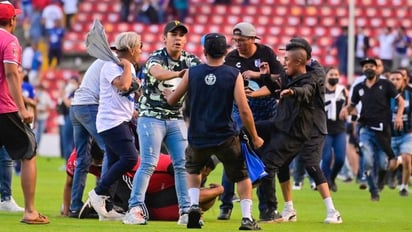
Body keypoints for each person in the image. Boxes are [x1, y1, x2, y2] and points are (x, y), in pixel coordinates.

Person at [166, 32, 263, 230]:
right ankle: (246, 218)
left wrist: (169, 94)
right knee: (242, 175)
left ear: (204, 50)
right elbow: (244, 109)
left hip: (198, 134)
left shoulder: (193, 73)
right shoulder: (232, 74)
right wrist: (254, 136)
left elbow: (173, 100)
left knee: (193, 169)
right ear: (226, 51)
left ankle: (193, 206)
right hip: (225, 136)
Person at [248, 37, 342, 224]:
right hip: (292, 125)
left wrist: (292, 92)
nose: (284, 61)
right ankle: (289, 208)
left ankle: (333, 211)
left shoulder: (315, 72)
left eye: (288, 55)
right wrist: (264, 77)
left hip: (313, 127)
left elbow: (306, 89)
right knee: (281, 164)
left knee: (311, 165)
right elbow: (279, 84)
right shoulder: (290, 71)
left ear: (303, 58)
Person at [123, 20, 201, 226]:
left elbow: (204, 74)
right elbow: (158, 72)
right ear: (164, 38)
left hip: (175, 118)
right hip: (151, 117)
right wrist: (180, 74)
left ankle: (185, 211)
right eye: (173, 34)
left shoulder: (191, 60)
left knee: (183, 164)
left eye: (181, 35)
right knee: (148, 162)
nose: (178, 38)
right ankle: (135, 208)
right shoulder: (156, 58)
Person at [219, 21, 284, 222]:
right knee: (235, 156)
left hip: (266, 111)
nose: (238, 44)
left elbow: (280, 79)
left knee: (266, 160)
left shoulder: (266, 53)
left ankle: (267, 209)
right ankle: (226, 205)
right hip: (241, 110)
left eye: (242, 40)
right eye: (235, 40)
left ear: (252, 39)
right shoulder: (231, 58)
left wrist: (258, 75)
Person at [0, 1, 48, 224]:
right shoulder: (9, 41)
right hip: (4, 109)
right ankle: (30, 211)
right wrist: (23, 108)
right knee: (28, 152)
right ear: (12, 20)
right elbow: (11, 74)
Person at [88, 31, 143, 221]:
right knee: (130, 158)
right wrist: (128, 66)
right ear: (131, 49)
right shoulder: (112, 66)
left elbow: (130, 90)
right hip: (112, 121)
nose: (141, 50)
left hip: (121, 119)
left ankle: (106, 207)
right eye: (139, 46)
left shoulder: (125, 67)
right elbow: (124, 85)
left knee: (112, 161)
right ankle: (98, 193)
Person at [340, 57, 404, 201]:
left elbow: (400, 102)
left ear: (377, 69)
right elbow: (353, 105)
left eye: (371, 66)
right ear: (363, 70)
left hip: (383, 130)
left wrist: (398, 117)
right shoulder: (359, 87)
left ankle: (380, 183)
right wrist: (346, 109)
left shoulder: (386, 84)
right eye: (365, 66)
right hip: (366, 129)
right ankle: (373, 190)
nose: (368, 68)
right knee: (368, 161)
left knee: (382, 164)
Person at [68, 59, 107, 217]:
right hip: (90, 106)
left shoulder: (101, 60)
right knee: (109, 151)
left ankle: (75, 206)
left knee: (82, 159)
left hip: (77, 105)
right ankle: (103, 203)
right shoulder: (114, 63)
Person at [321, 66, 349, 192]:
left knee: (340, 158)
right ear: (326, 76)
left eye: (336, 75)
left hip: (339, 129)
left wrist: (347, 109)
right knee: (326, 158)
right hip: (325, 129)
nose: (334, 77)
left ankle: (332, 177)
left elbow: (351, 104)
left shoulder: (342, 90)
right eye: (331, 75)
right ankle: (326, 182)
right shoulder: (321, 91)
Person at [62, 140, 103, 217]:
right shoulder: (76, 159)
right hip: (86, 161)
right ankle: (73, 207)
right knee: (71, 181)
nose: (98, 165)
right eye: (97, 163)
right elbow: (69, 184)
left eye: (100, 163)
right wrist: (65, 212)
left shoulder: (110, 158)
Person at [388, 70, 412, 196]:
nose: (395, 81)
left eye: (398, 79)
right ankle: (391, 175)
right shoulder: (385, 95)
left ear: (404, 80)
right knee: (391, 165)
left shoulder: (410, 93)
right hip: (391, 135)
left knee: (407, 159)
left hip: (407, 133)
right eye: (393, 79)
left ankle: (404, 187)